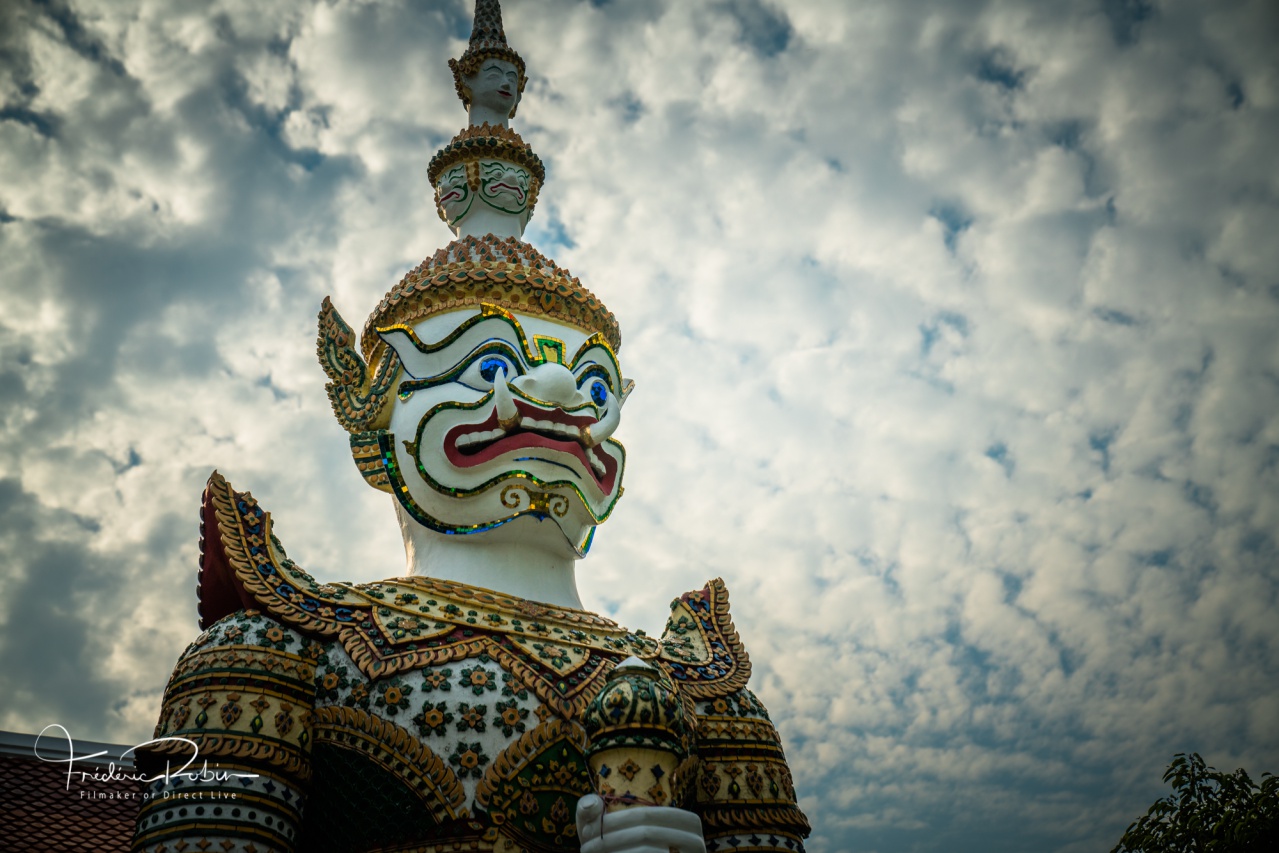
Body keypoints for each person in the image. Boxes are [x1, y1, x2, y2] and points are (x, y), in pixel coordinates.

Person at [131, 3, 809, 852]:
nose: (557, 392)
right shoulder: (281, 649)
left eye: (591, 385)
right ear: (369, 414)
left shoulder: (700, 694)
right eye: (490, 365)